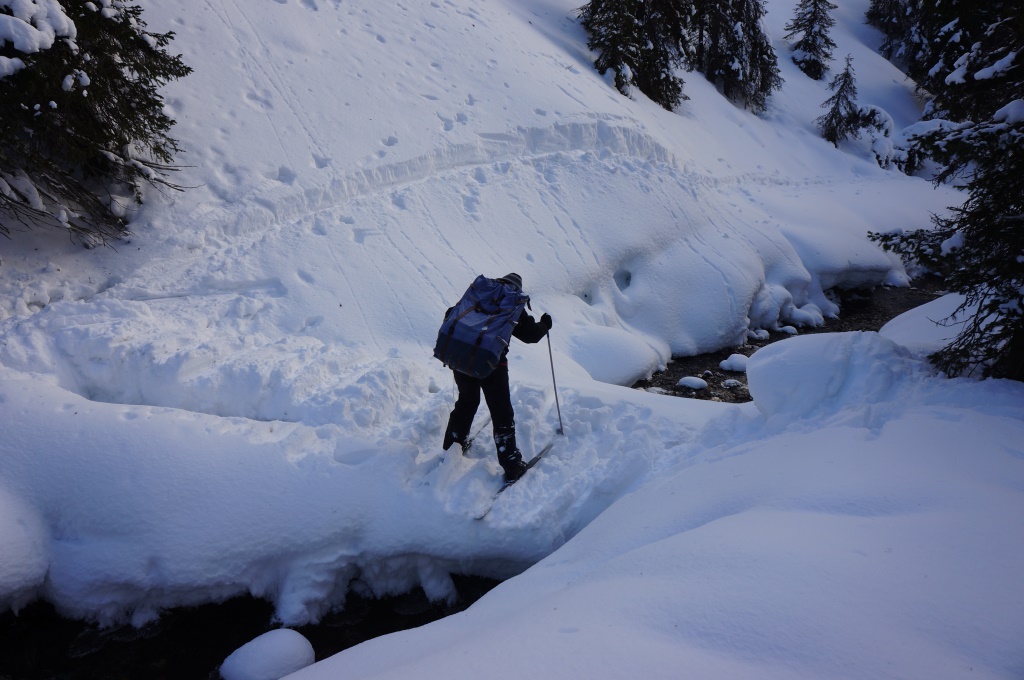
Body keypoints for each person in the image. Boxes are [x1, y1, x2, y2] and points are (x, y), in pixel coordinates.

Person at [441, 272, 552, 482]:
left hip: (462, 359)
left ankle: (451, 447)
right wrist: (545, 324)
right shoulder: (512, 301)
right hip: (492, 366)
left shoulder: (478, 294)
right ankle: (511, 464)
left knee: (467, 401)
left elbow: (450, 314)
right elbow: (531, 335)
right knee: (501, 412)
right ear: (517, 288)